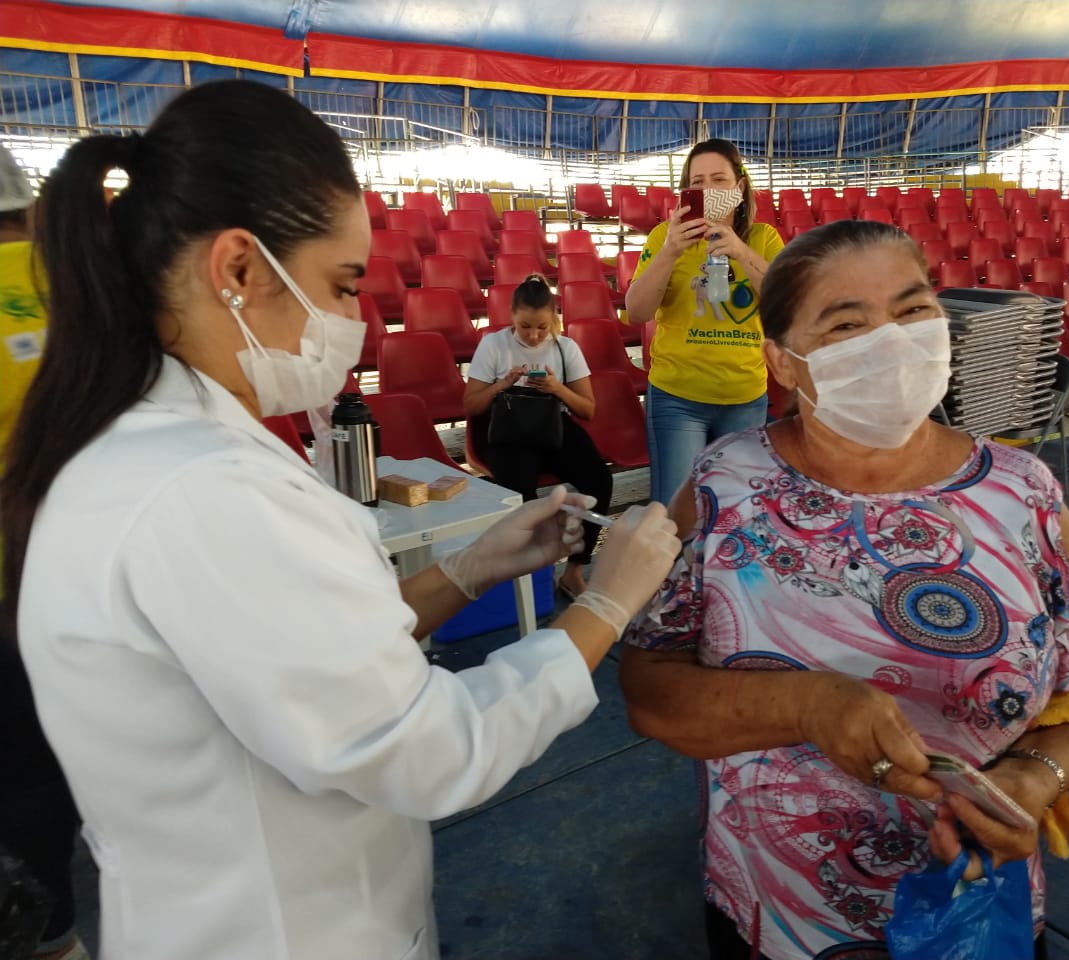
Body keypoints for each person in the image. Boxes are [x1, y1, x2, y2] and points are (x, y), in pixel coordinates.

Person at [0, 80, 680, 960]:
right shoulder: (198, 487)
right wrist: (605, 606)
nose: (353, 320)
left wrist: (468, 567)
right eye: (341, 283)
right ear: (239, 269)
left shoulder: (165, 443)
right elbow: (430, 747)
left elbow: (312, 655)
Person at [619, 220, 1069, 959]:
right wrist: (805, 705)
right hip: (777, 909)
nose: (891, 342)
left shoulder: (1022, 491)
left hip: (977, 905)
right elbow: (649, 689)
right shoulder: (722, 488)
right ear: (784, 362)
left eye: (913, 310)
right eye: (847, 324)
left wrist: (1035, 777)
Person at [0, 147, 90, 960]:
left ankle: (45, 926)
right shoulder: (73, 288)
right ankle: (57, 928)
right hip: (73, 562)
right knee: (43, 759)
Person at [624, 138, 784, 505]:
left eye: (719, 180)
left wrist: (740, 251)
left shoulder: (763, 238)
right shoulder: (665, 237)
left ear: (739, 187)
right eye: (697, 183)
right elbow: (637, 312)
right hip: (679, 398)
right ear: (685, 191)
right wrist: (670, 253)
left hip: (745, 397)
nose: (708, 190)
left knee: (736, 508)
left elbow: (785, 300)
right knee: (675, 512)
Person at [463, 274, 613, 599]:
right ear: (512, 318)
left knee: (599, 480)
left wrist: (557, 388)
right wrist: (503, 384)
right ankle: (530, 577)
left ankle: (574, 571)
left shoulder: (565, 348)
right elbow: (472, 404)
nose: (533, 336)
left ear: (554, 319)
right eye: (525, 326)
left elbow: (587, 409)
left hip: (552, 426)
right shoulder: (494, 344)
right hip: (507, 431)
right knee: (520, 495)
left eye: (542, 327)